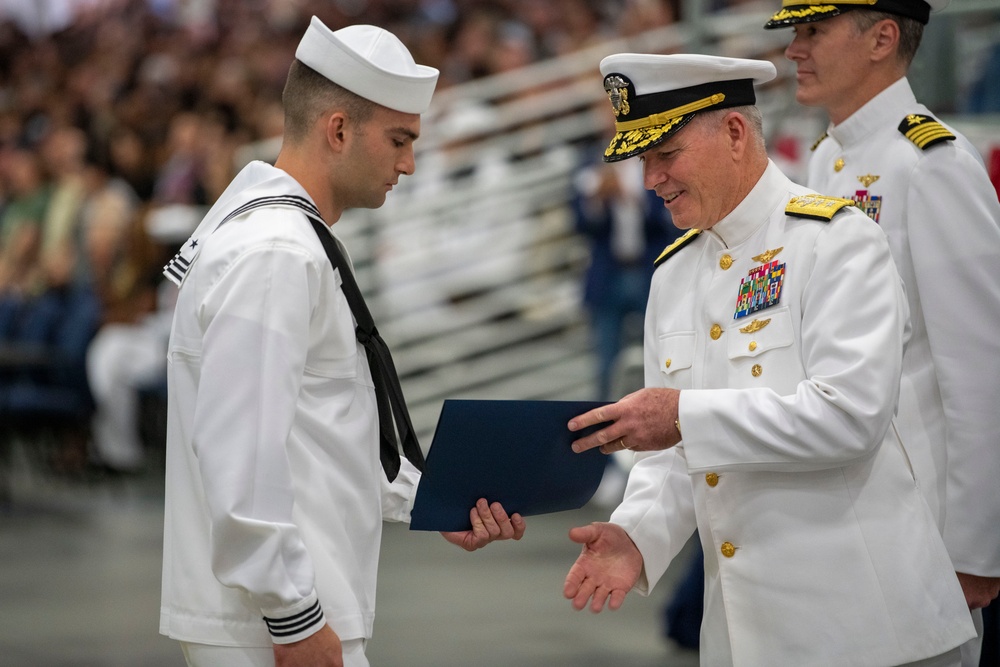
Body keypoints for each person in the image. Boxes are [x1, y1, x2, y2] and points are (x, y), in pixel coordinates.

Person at [561, 52, 976, 666]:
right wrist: (635, 535)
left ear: (733, 133)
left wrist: (683, 417)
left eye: (665, 154)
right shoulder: (673, 275)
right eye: (643, 160)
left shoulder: (836, 240)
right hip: (745, 636)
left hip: (868, 626)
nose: (652, 179)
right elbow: (670, 455)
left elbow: (849, 416)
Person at [158, 18, 525, 667]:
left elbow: (325, 429)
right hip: (274, 624)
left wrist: (434, 503)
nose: (409, 163)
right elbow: (237, 451)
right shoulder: (275, 251)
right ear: (337, 130)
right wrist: (293, 616)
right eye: (399, 139)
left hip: (286, 609)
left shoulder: (289, 238)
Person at [763, 3, 1000, 664]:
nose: (794, 49)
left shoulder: (933, 163)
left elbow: (981, 371)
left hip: (919, 524)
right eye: (795, 32)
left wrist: (977, 547)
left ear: (883, 38)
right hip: (838, 514)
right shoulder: (827, 160)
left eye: (813, 31)